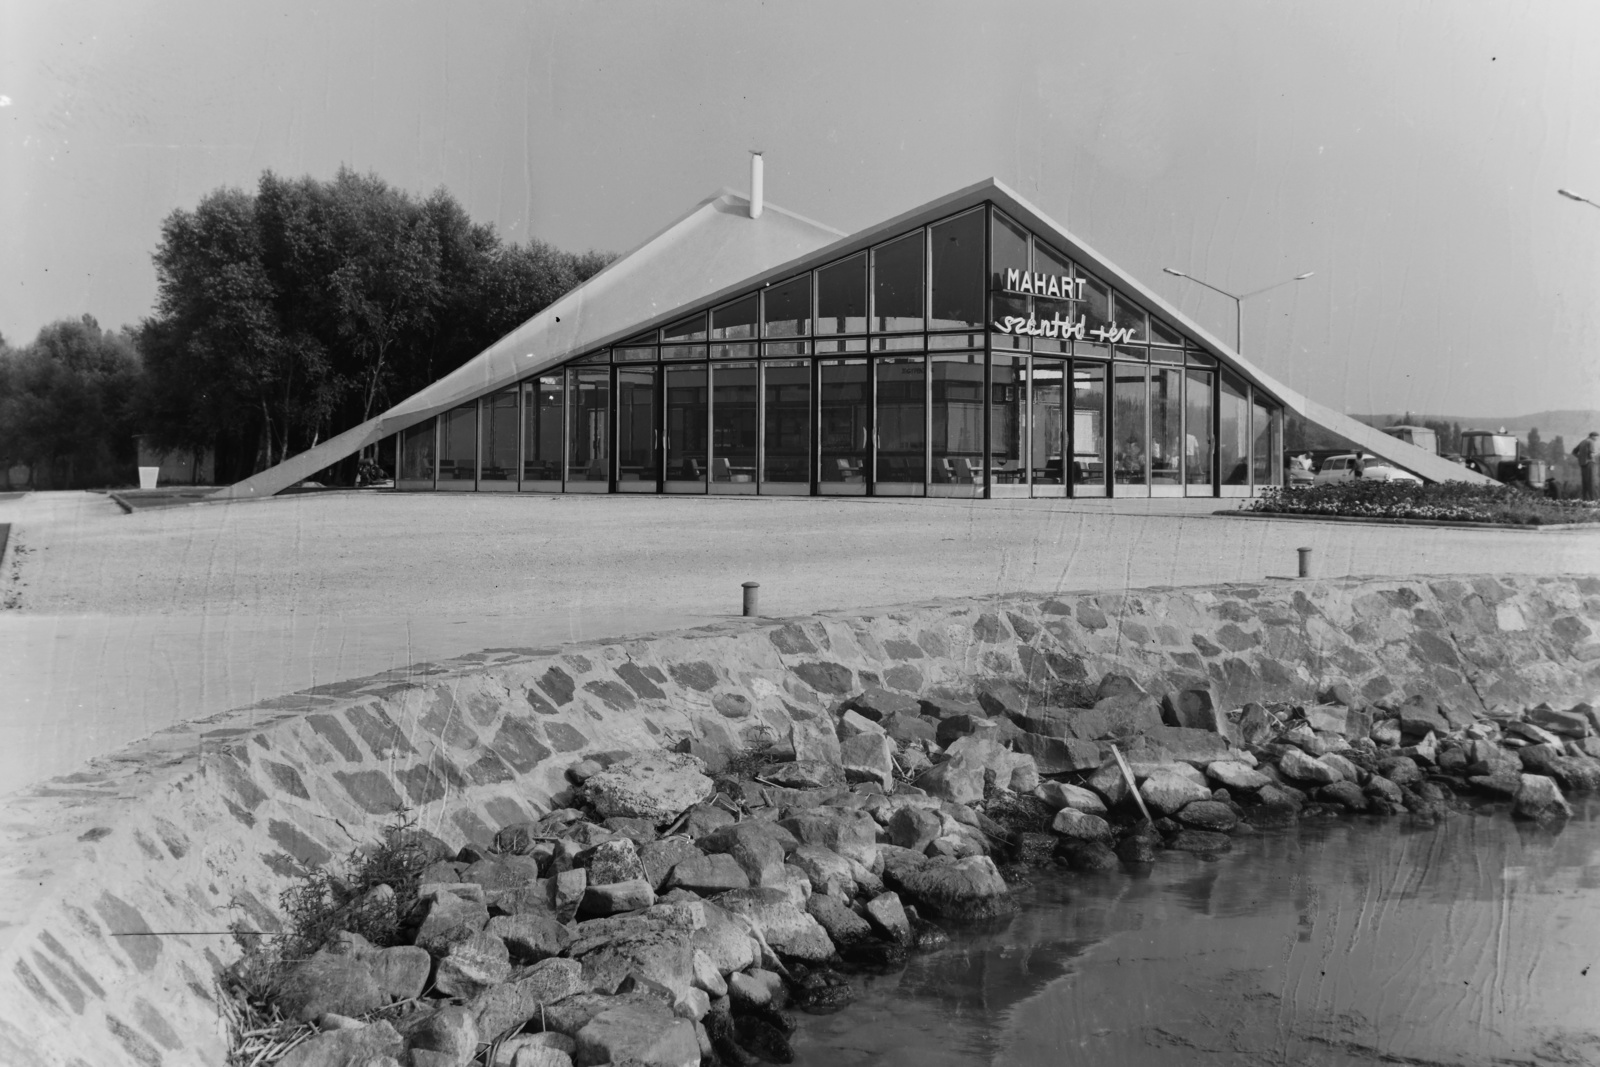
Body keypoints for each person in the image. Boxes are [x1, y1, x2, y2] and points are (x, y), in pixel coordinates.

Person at [1575, 432, 1598, 500]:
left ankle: (1585, 499)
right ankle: (1593, 500)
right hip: (1590, 463)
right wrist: (1598, 452)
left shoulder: (1582, 442)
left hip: (1583, 465)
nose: (1597, 439)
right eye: (1596, 437)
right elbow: (1591, 455)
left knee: (1585, 483)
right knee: (1591, 482)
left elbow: (1574, 452)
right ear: (1592, 436)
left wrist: (1580, 457)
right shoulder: (1591, 442)